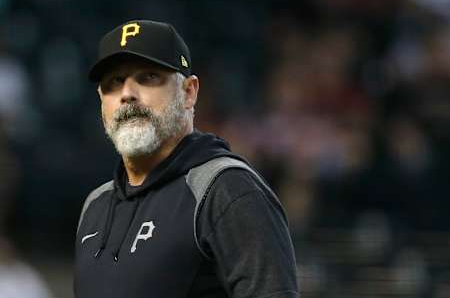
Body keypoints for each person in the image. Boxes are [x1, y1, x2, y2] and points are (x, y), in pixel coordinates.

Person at [74, 20, 299, 298]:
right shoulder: (95, 205)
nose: (127, 94)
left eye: (148, 77)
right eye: (114, 82)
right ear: (101, 99)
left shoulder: (225, 190)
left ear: (189, 92)